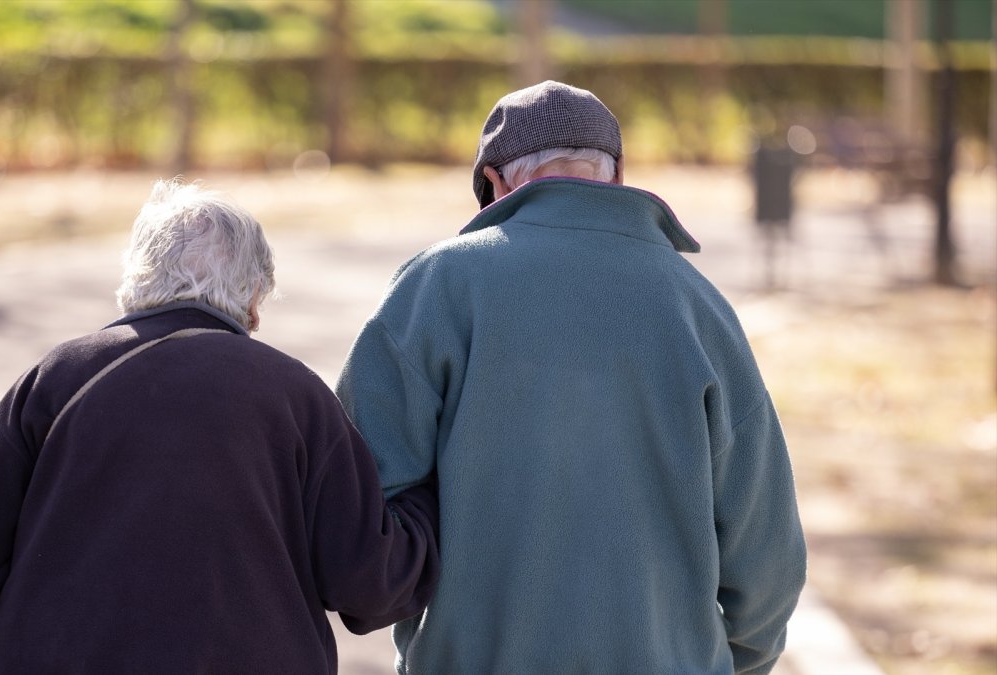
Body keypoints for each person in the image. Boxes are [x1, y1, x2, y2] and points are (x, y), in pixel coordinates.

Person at [335, 80, 806, 674]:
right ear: (615, 177)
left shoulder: (437, 287)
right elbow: (766, 546)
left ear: (496, 184)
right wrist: (727, 659)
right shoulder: (696, 304)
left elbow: (361, 498)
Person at [0, 180, 439, 674]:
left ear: (136, 278)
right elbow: (368, 581)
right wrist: (428, 505)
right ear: (254, 298)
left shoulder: (56, 381)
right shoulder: (297, 396)